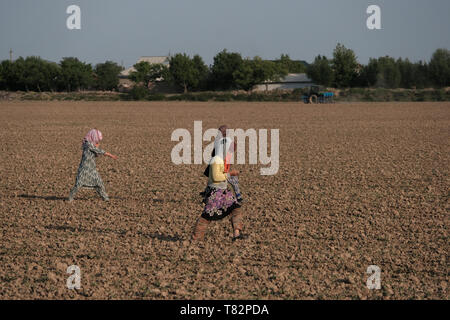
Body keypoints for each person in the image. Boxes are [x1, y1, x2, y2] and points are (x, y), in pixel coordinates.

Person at [193, 134, 247, 241]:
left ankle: (237, 234)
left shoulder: (222, 159)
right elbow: (216, 177)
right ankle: (196, 238)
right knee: (207, 216)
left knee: (236, 207)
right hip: (215, 193)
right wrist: (230, 174)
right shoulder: (216, 160)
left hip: (223, 192)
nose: (231, 152)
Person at [68, 129, 118, 202]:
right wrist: (111, 155)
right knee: (79, 184)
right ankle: (70, 197)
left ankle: (105, 198)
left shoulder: (89, 144)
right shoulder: (88, 144)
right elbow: (98, 151)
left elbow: (95, 154)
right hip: (85, 168)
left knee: (99, 182)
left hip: (91, 168)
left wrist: (97, 147)